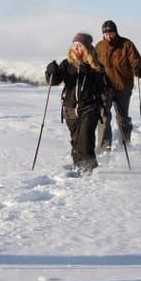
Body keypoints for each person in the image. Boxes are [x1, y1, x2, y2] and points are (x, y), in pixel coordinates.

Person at [45, 33, 108, 175]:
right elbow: (53, 82)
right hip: (70, 107)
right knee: (76, 140)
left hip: (90, 106)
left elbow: (103, 86)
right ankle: (78, 164)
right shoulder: (67, 64)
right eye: (74, 46)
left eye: (79, 46)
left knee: (85, 138)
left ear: (86, 48)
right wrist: (50, 72)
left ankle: (89, 166)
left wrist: (106, 87)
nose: (76, 48)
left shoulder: (95, 65)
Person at [95, 19, 141, 152]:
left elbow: (136, 60)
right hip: (105, 87)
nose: (108, 35)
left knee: (122, 118)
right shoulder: (99, 46)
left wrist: (138, 68)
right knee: (104, 117)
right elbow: (93, 64)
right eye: (106, 33)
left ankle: (125, 144)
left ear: (116, 32)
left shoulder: (126, 44)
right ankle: (104, 148)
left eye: (111, 32)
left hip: (123, 86)